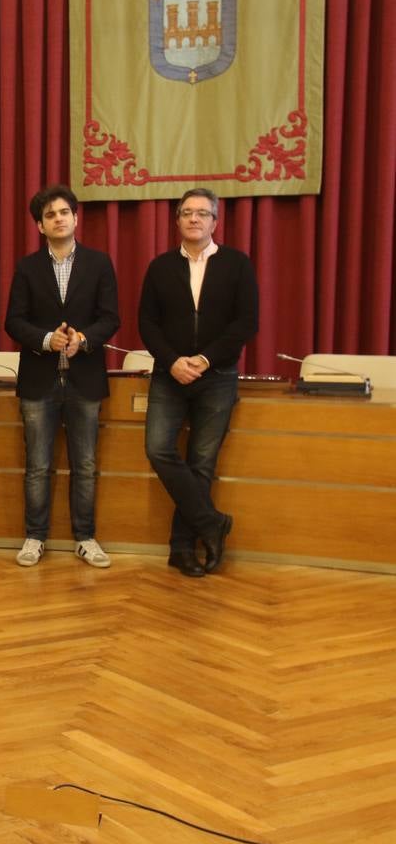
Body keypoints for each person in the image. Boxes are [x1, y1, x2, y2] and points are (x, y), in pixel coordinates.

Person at [138, 187, 259, 578]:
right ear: (176, 220)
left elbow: (245, 323)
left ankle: (183, 548)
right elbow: (147, 324)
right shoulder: (159, 267)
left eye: (202, 213)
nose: (194, 219)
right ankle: (212, 523)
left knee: (202, 464)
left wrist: (205, 360)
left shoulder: (237, 265)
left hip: (218, 376)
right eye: (187, 213)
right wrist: (172, 361)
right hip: (169, 376)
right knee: (158, 449)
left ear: (215, 222)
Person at [4, 184, 121, 568]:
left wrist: (83, 340)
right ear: (40, 225)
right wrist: (45, 339)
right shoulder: (27, 267)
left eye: (64, 212)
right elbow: (13, 321)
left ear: (75, 217)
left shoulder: (99, 263)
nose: (58, 219)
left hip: (85, 379)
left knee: (84, 464)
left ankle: (85, 536)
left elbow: (111, 318)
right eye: (50, 214)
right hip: (39, 380)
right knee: (38, 464)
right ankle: (34, 536)